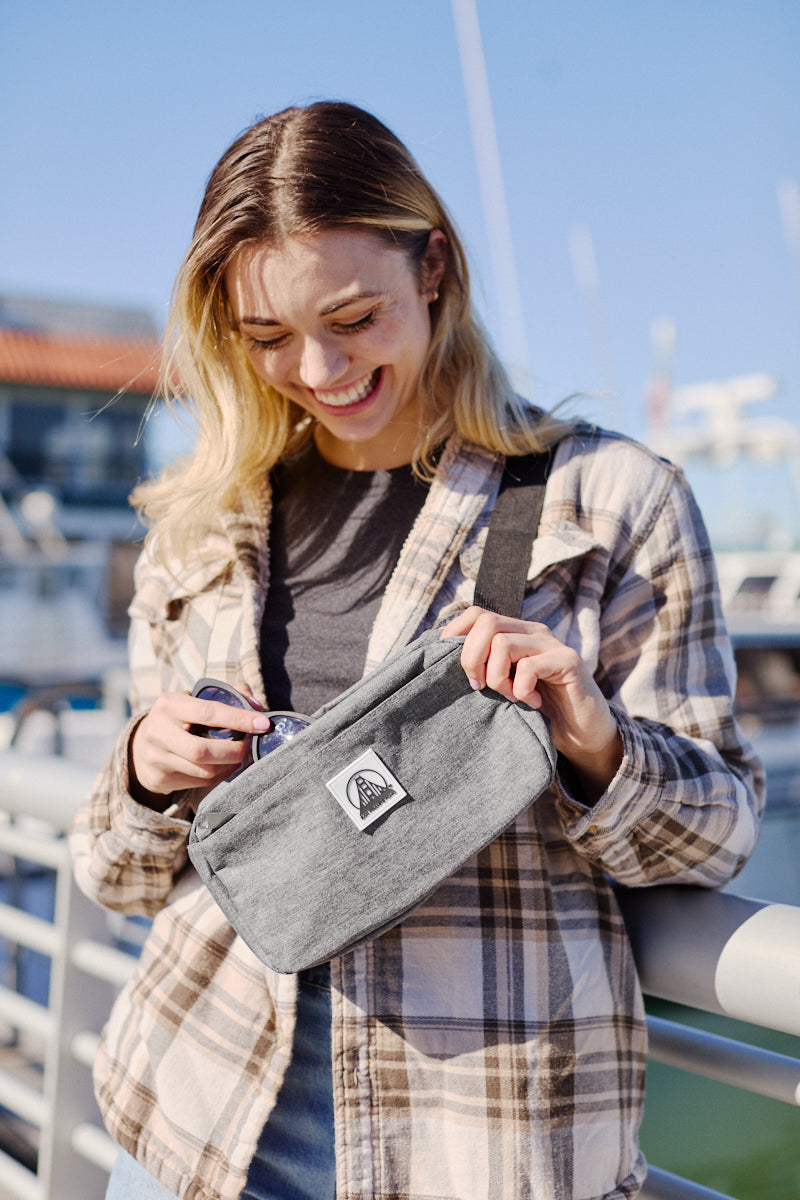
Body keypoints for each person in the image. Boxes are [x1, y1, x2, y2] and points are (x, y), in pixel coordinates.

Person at [70, 100, 764, 1200]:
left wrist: (591, 739)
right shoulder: (205, 523)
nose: (317, 367)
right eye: (266, 338)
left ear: (432, 264)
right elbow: (115, 874)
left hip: (478, 1144)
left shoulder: (611, 500)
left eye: (353, 317)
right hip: (190, 1124)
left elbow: (716, 835)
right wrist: (147, 776)